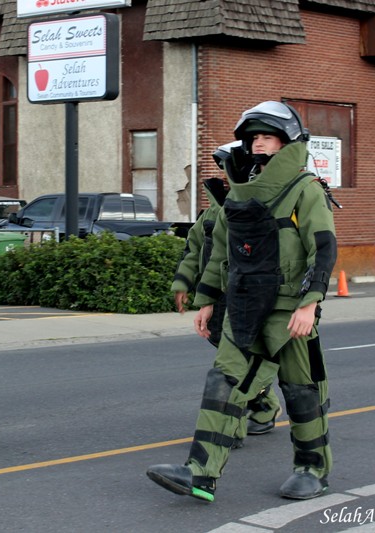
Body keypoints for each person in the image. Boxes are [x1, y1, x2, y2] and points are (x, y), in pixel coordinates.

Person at [147, 101, 338, 502]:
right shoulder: (238, 196)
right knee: (222, 384)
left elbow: (322, 248)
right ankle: (201, 473)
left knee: (302, 391)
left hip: (289, 311)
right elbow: (222, 253)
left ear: (287, 143)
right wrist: (208, 300)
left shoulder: (304, 190)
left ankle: (312, 469)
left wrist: (309, 303)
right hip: (245, 306)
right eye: (253, 138)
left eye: (267, 137)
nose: (257, 145)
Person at [171, 142, 283, 447]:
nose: (225, 172)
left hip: (255, 300)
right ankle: (264, 407)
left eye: (230, 165)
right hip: (220, 300)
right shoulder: (213, 213)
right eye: (222, 166)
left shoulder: (265, 206)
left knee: (240, 366)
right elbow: (195, 250)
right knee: (235, 363)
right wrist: (183, 284)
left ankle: (229, 424)